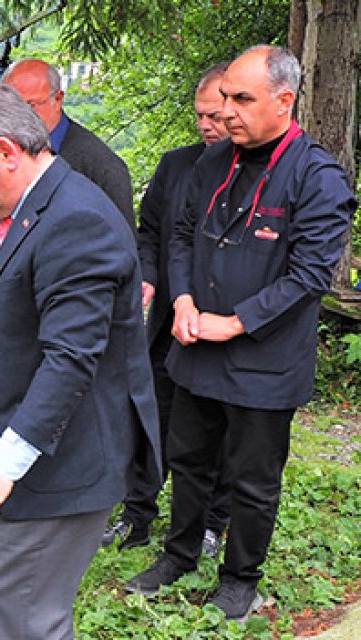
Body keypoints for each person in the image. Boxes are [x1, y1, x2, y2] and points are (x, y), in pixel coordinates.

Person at [126, 45, 356, 622]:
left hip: (265, 360)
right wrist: (180, 297)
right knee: (188, 458)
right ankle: (178, 555)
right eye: (224, 96)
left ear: (284, 101)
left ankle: (239, 579)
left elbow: (309, 275)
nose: (226, 110)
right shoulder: (213, 162)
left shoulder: (317, 176)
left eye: (241, 99)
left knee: (252, 480)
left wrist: (237, 321)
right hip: (196, 345)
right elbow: (180, 234)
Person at [0, 83, 159, 639]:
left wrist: (2, 465)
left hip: (61, 464)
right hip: (38, 458)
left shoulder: (75, 221)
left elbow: (69, 361)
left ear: (8, 152)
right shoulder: (27, 207)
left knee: (24, 617)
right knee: (20, 609)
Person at [104, 63, 235, 554]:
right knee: (151, 418)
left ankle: (209, 524)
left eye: (215, 116)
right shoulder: (175, 165)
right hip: (166, 327)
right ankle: (138, 514)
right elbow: (151, 232)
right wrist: (148, 276)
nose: (206, 125)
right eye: (201, 115)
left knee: (215, 432)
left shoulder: (256, 173)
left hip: (224, 329)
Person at [3, 58, 135, 227]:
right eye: (11, 106)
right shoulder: (3, 154)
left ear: (57, 100)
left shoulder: (100, 166)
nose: (19, 115)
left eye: (30, 105)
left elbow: (122, 245)